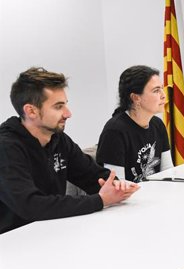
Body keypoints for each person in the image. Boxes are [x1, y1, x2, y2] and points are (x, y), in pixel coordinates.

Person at [0, 67, 139, 234]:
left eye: (65, 105)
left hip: (49, 230)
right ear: (31, 111)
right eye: (58, 107)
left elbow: (92, 176)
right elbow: (30, 205)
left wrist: (116, 185)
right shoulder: (6, 147)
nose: (68, 113)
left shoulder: (58, 139)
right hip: (12, 242)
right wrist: (99, 201)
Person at [97, 65, 172, 182]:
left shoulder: (158, 124)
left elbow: (168, 171)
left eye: (162, 89)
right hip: (127, 198)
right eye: (156, 90)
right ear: (136, 98)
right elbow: (117, 185)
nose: (163, 95)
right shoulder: (114, 131)